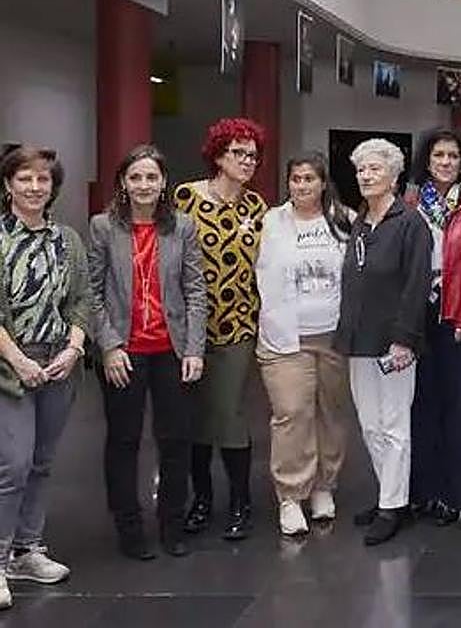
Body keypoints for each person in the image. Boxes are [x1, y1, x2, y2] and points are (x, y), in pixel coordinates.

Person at [88, 145, 206, 561]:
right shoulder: (103, 227)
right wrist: (108, 346)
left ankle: (172, 524)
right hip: (123, 352)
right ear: (123, 182)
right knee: (124, 440)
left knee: (175, 441)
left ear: (163, 182)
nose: (143, 185)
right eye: (135, 177)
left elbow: (195, 290)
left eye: (151, 177)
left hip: (171, 350)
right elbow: (92, 293)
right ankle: (129, 528)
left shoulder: (183, 227)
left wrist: (194, 348)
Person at [0, 146, 90, 609]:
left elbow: (82, 299)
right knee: (12, 465)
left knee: (41, 461)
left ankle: (26, 550)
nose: (34, 187)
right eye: (25, 178)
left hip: (59, 364)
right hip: (10, 366)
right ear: (8, 185)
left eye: (43, 179)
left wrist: (74, 348)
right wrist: (18, 360)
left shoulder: (66, 240)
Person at [336, 139, 433, 546]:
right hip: (358, 340)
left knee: (394, 427)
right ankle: (390, 497)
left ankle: (393, 507)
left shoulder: (410, 223)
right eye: (361, 169)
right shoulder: (360, 221)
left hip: (394, 343)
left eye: (374, 169)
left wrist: (404, 339)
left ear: (394, 176)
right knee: (370, 425)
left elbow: (416, 286)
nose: (366, 176)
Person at [175, 118, 268, 540]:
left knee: (229, 412)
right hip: (189, 328)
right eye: (239, 153)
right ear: (217, 155)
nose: (247, 161)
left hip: (238, 326)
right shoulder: (186, 198)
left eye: (253, 155)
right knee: (194, 417)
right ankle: (201, 500)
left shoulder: (258, 208)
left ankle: (240, 502)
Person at [255, 153, 354, 536]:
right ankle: (291, 496)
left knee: (331, 413)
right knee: (292, 412)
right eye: (295, 178)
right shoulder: (271, 221)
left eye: (309, 178)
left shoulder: (344, 220)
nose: (301, 185)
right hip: (285, 337)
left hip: (333, 336)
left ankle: (323, 486)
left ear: (323, 182)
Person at [408, 128, 461, 525]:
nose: (445, 162)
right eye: (439, 155)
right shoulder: (411, 202)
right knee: (422, 404)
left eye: (452, 156)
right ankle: (424, 493)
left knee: (458, 406)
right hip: (417, 313)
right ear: (427, 160)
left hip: (456, 312)